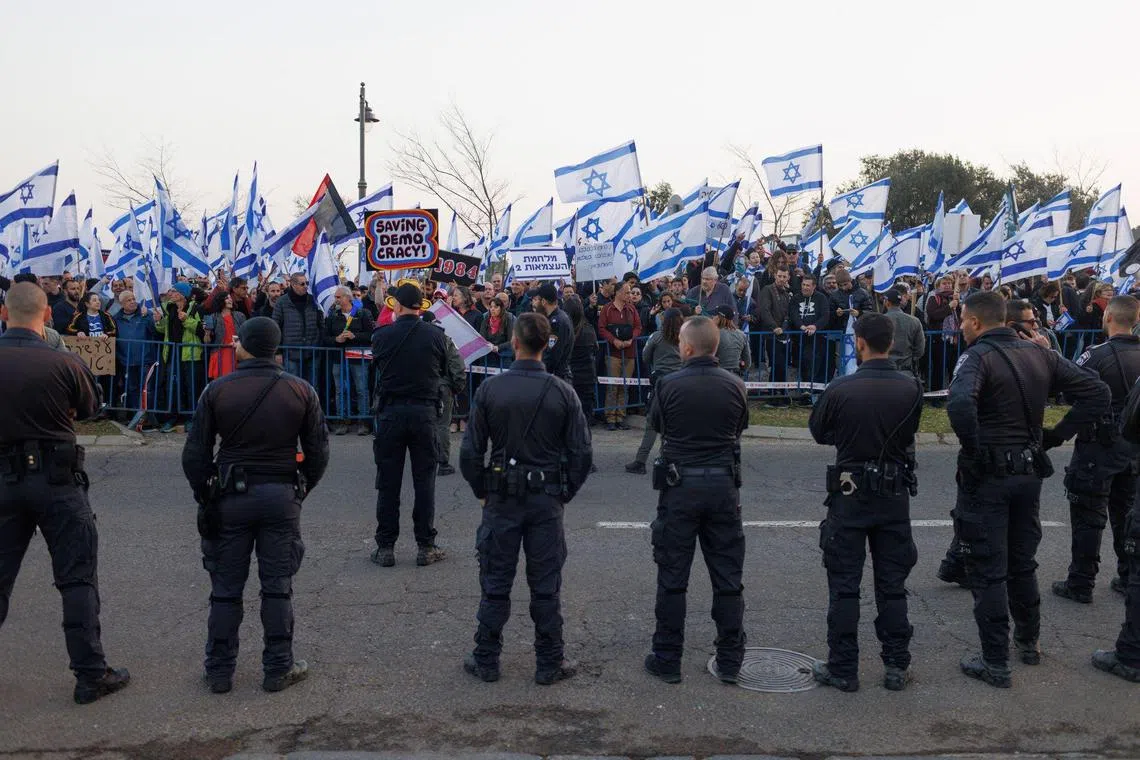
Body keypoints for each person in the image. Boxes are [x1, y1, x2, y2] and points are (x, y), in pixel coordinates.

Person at [946, 291, 1110, 688]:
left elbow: (960, 404)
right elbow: (1098, 392)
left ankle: (996, 661)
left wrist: (976, 449)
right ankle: (1028, 641)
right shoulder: (1040, 353)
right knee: (1022, 561)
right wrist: (1051, 437)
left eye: (965, 321)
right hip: (1027, 473)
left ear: (976, 321)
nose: (963, 327)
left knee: (988, 567)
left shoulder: (977, 356)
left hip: (991, 477)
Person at [182, 317, 329, 694]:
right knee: (277, 585)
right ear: (276, 350)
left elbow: (195, 455)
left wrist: (207, 494)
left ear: (243, 347)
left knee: (226, 587)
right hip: (281, 496)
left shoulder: (217, 390)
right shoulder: (301, 390)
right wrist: (300, 490)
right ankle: (278, 667)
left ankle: (219, 670)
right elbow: (318, 454)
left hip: (232, 496)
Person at [0, 282, 131, 704]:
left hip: (4, 479)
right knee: (76, 580)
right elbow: (91, 409)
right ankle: (90, 675)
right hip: (57, 481)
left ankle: (93, 674)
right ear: (47, 316)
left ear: (6, 315)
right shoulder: (63, 361)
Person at [458, 312, 593, 685]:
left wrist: (483, 491)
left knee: (496, 581)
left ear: (514, 343)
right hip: (545, 500)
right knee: (545, 585)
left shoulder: (490, 390)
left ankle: (487, 659)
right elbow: (581, 454)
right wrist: (563, 493)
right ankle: (549, 663)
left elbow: (470, 453)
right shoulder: (563, 392)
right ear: (546, 345)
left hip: (502, 498)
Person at [808, 313, 923, 692]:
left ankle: (843, 667)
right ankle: (896, 665)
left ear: (859, 342)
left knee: (844, 586)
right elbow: (908, 432)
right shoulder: (911, 388)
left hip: (851, 495)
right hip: (892, 496)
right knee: (892, 586)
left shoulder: (841, 388)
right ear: (891, 343)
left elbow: (819, 431)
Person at [643, 316, 749, 685]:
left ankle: (668, 657)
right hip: (722, 489)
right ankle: (731, 659)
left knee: (673, 577)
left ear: (685, 348)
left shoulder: (668, 384)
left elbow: (658, 424)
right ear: (716, 347)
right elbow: (738, 428)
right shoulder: (736, 385)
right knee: (728, 579)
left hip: (681, 488)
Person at [1051, 296, 1140, 604]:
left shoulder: (1096, 355)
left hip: (1097, 447)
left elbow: (1070, 392)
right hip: (1133, 449)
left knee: (1088, 515)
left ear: (1109, 318)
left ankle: (1081, 581)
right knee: (1125, 513)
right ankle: (1129, 576)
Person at [370, 282, 449, 568]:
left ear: (398, 306)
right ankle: (425, 545)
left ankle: (386, 547)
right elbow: (443, 368)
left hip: (391, 414)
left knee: (388, 483)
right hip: (424, 414)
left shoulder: (382, 336)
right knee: (424, 482)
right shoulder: (436, 335)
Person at [625, 307, 685, 475]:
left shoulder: (657, 337)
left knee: (652, 423)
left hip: (660, 382)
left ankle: (640, 461)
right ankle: (668, 460)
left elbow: (645, 357)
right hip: (680, 383)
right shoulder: (686, 338)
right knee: (673, 424)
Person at [325, 286, 374, 436]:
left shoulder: (363, 313)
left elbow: (371, 334)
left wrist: (355, 336)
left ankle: (363, 421)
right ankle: (342, 421)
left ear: (347, 298)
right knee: (340, 390)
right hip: (338, 358)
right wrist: (336, 339)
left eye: (339, 297)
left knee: (361, 389)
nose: (336, 300)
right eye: (336, 297)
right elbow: (324, 337)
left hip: (358, 357)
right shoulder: (333, 315)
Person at [597, 280, 642, 430]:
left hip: (629, 353)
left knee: (625, 386)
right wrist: (613, 340)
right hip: (613, 354)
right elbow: (601, 328)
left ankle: (620, 416)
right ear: (618, 292)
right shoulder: (607, 309)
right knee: (612, 386)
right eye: (627, 292)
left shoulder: (631, 309)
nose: (630, 294)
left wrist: (631, 339)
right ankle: (610, 418)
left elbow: (638, 327)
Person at [271, 272, 325, 386]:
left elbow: (321, 324)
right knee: (293, 387)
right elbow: (275, 327)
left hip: (312, 352)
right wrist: (278, 352)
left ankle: (311, 405)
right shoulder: (282, 302)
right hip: (291, 353)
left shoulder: (313, 300)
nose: (306, 286)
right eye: (302, 284)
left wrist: (319, 343)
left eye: (307, 283)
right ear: (293, 285)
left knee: (313, 387)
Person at [430, 313, 466, 476]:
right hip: (442, 387)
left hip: (422, 388)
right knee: (442, 424)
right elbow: (457, 365)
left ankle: (426, 459)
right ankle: (442, 462)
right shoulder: (445, 340)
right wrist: (456, 387)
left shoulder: (415, 340)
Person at [789, 274, 833, 396]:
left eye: (808, 285)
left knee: (814, 362)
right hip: (799, 337)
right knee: (801, 362)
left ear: (814, 286)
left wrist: (815, 326)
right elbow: (793, 314)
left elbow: (825, 315)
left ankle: (811, 390)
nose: (805, 287)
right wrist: (801, 326)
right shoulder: (796, 298)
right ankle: (803, 389)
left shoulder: (821, 298)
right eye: (803, 285)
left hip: (816, 338)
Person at [565, 295, 599, 424]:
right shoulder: (589, 329)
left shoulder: (567, 332)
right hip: (587, 376)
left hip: (571, 376)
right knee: (584, 417)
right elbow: (595, 349)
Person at [530, 283, 574, 382]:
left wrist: (538, 371)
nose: (534, 304)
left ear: (544, 301)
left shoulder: (557, 322)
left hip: (557, 378)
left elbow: (552, 355)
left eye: (537, 300)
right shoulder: (555, 318)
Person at [882, 287, 925, 375]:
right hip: (906, 371)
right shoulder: (914, 321)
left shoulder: (879, 321)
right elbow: (920, 349)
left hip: (885, 371)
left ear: (887, 302)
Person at [204, 293, 247, 380]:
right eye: (227, 298)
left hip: (236, 353)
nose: (230, 300)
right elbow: (207, 341)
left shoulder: (240, 316)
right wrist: (207, 333)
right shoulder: (212, 317)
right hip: (219, 354)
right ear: (220, 301)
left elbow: (245, 334)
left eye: (230, 298)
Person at [713, 304, 750, 377]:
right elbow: (747, 360)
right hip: (735, 376)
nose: (712, 317)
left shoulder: (714, 334)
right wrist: (742, 371)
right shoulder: (741, 334)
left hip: (718, 375)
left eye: (714, 315)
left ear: (719, 317)